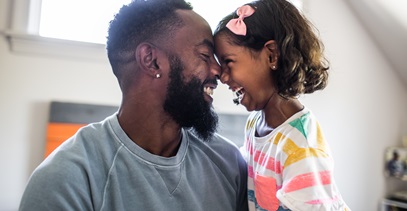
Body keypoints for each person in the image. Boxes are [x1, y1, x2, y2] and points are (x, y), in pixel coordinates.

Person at [19, 0, 248, 210]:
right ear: (151, 60)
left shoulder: (229, 163)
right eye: (205, 55)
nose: (219, 71)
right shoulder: (66, 180)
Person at [213, 0, 350, 210]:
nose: (222, 76)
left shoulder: (301, 146)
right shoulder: (255, 123)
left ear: (271, 55)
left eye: (228, 62)